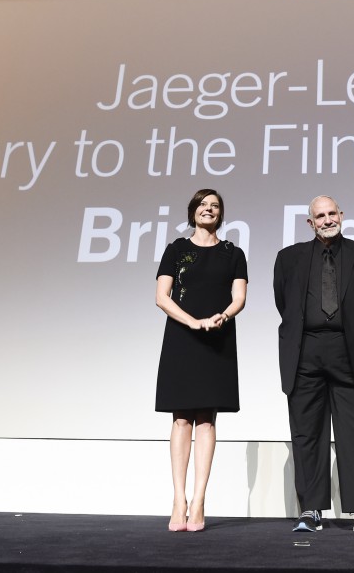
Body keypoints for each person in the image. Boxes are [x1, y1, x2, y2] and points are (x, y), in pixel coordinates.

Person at [273, 195, 354, 535]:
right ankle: (311, 509)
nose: (327, 220)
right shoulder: (288, 258)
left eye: (331, 213)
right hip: (305, 351)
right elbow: (285, 303)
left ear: (341, 215)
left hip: (350, 351)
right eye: (319, 216)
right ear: (310, 223)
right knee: (307, 432)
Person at [155, 189, 247, 532]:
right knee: (181, 419)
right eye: (203, 205)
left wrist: (221, 316)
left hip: (218, 337)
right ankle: (178, 500)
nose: (209, 209)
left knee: (207, 420)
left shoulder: (232, 253)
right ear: (193, 210)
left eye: (215, 206)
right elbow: (161, 297)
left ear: (220, 215)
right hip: (182, 337)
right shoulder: (176, 250)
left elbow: (239, 297)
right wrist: (193, 322)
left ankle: (199, 501)